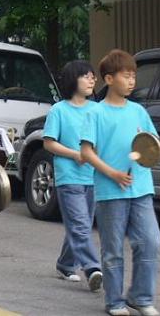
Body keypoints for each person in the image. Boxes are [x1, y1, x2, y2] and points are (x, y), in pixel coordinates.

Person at [81, 49, 160, 316]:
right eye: (126, 76)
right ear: (109, 78)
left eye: (133, 76)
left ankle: (140, 296)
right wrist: (112, 173)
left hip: (141, 188)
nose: (132, 80)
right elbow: (86, 152)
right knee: (113, 249)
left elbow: (153, 148)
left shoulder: (139, 111)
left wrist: (146, 145)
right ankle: (115, 301)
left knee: (150, 242)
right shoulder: (96, 113)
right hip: (110, 190)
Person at [42, 60, 102, 292]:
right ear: (72, 80)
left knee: (82, 225)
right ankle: (92, 268)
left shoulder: (97, 110)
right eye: (86, 76)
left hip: (94, 177)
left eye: (92, 76)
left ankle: (66, 263)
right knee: (80, 225)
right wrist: (75, 154)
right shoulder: (59, 110)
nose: (91, 80)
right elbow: (49, 143)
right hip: (68, 176)